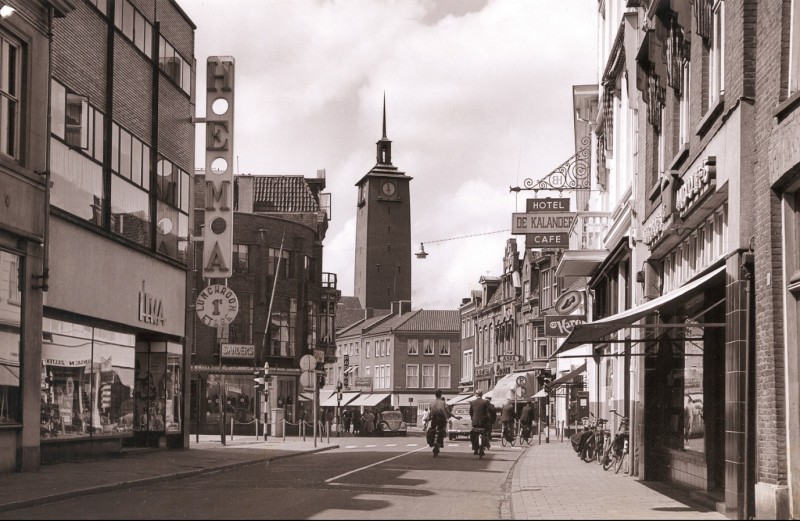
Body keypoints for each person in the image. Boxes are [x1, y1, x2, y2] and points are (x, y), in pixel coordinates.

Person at [427, 389, 461, 455]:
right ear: (441, 395)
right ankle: (440, 442)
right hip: (441, 419)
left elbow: (430, 412)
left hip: (434, 419)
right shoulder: (443, 403)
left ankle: (432, 441)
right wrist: (454, 417)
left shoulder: (432, 403)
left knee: (432, 429)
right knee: (442, 430)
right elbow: (447, 412)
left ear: (435, 395)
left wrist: (429, 418)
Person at [469, 390, 491, 455]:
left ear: (476, 394)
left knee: (473, 434)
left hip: (475, 422)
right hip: (483, 422)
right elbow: (488, 413)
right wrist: (488, 420)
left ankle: (475, 448)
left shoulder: (472, 402)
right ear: (482, 394)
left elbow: (471, 413)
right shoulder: (485, 402)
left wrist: (472, 418)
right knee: (486, 433)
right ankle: (486, 444)